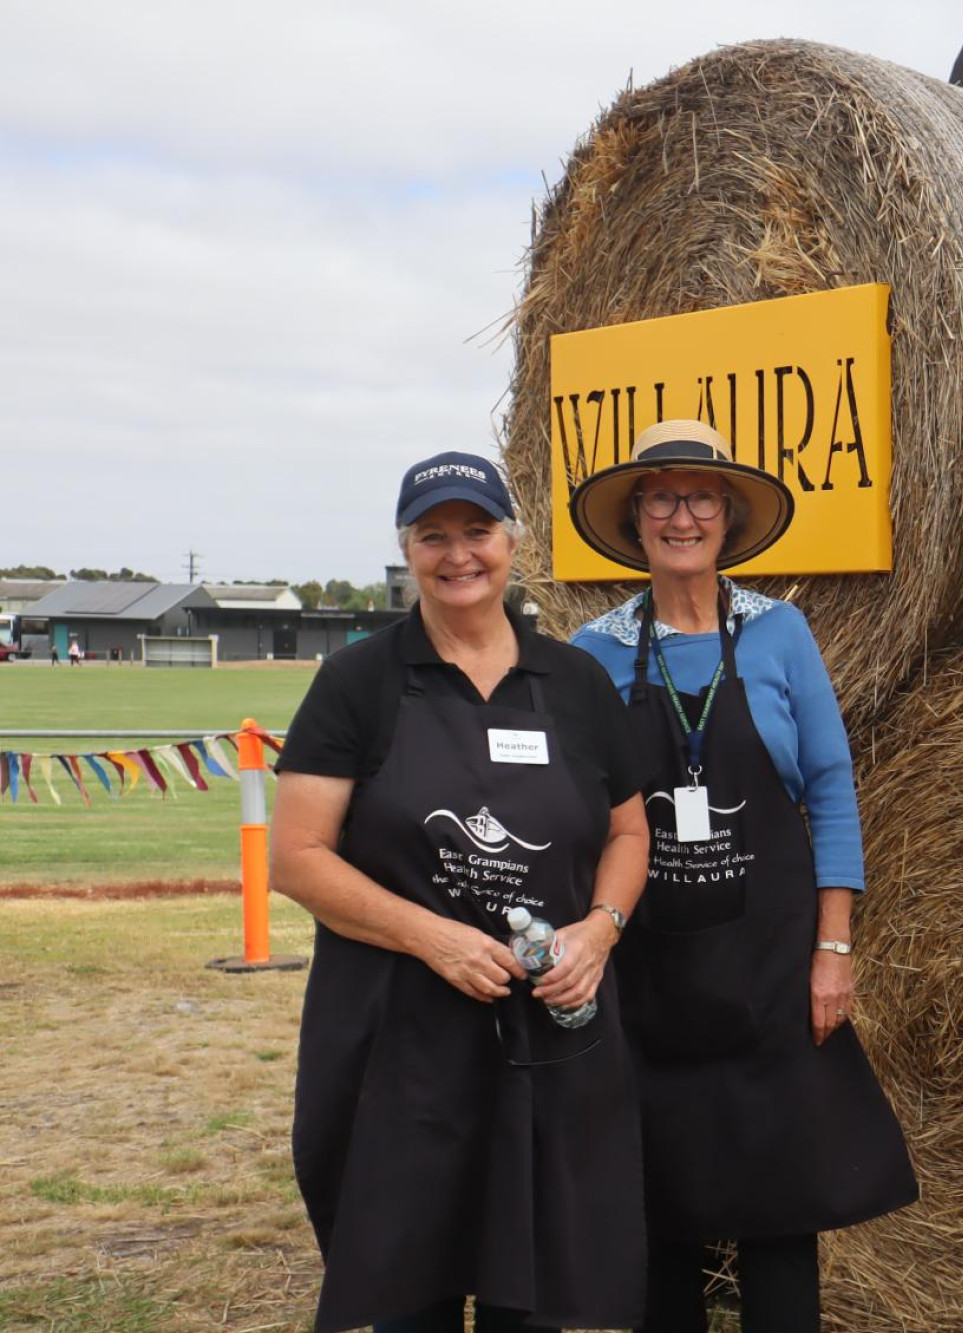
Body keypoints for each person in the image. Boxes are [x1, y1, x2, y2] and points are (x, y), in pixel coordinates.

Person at [270, 451, 650, 1333]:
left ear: (511, 541)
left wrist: (599, 930)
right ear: (407, 548)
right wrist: (429, 935)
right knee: (413, 1288)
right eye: (433, 535)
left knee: (536, 1291)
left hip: (546, 1031)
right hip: (399, 1034)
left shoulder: (575, 683)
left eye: (476, 530)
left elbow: (631, 831)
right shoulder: (358, 682)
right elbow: (297, 856)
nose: (458, 554)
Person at [569, 420, 917, 1332]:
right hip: (647, 975)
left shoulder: (780, 633)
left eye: (700, 497)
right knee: (660, 1205)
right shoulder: (591, 652)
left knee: (780, 1206)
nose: (681, 515)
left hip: (770, 969)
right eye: (661, 497)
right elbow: (576, 814)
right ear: (636, 518)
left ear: (726, 515)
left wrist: (833, 947)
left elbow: (832, 789)